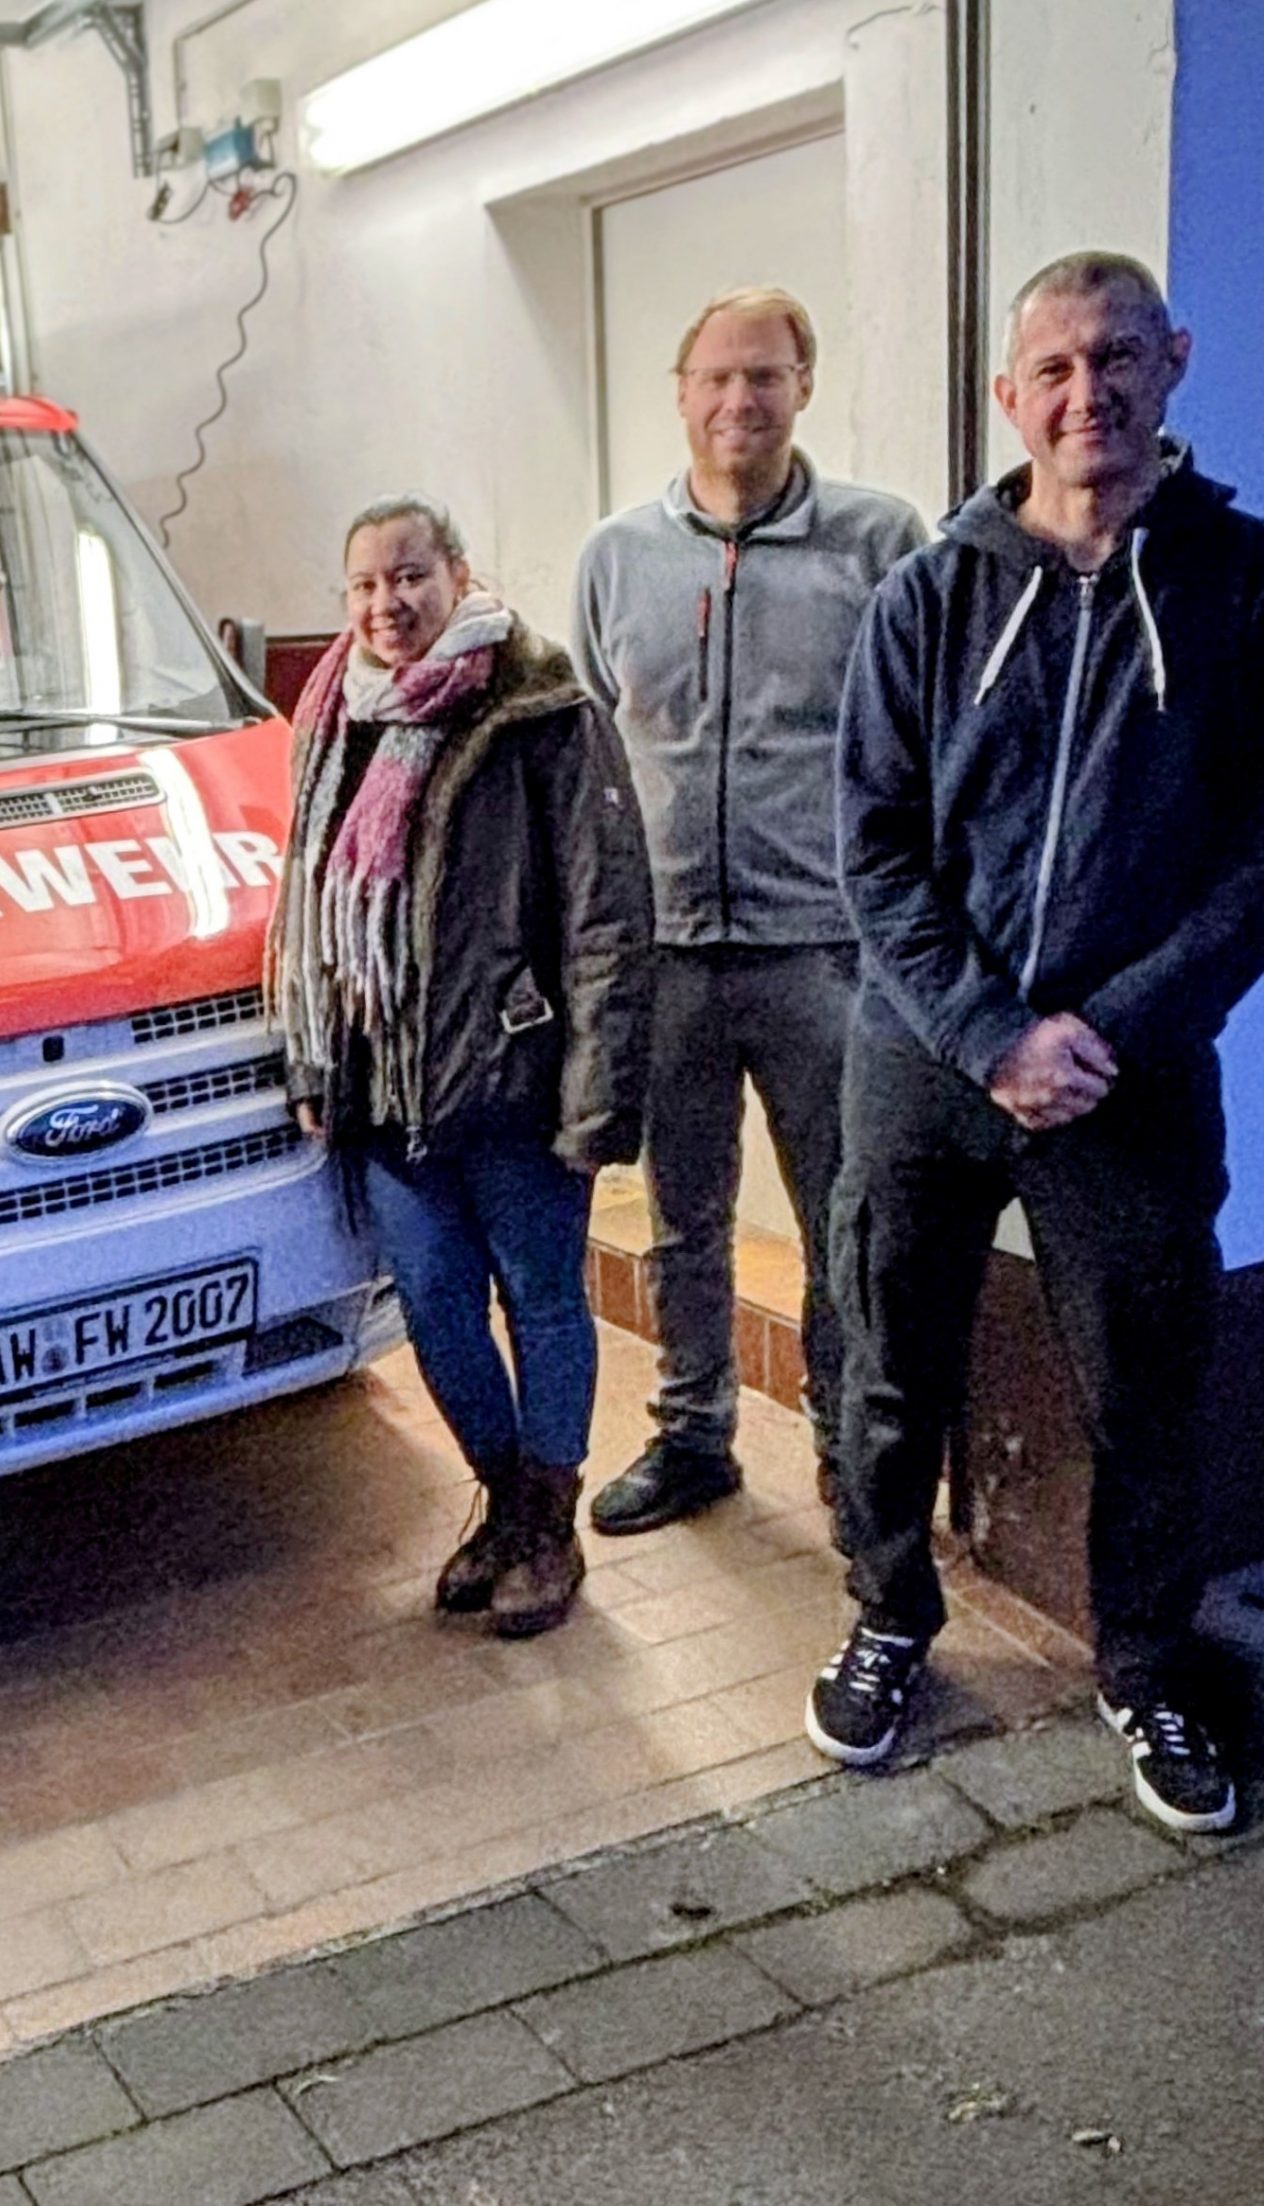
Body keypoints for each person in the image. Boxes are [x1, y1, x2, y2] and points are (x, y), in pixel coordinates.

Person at [811, 253, 1264, 1834]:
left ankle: (1146, 1664)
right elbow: (872, 852)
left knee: (1150, 1387)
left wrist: (1113, 1031)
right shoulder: (930, 595)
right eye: (1057, 368)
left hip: (1131, 1082)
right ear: (1011, 397)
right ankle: (889, 1613)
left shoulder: (1242, 585)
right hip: (928, 1063)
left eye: (1122, 357)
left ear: (1177, 360)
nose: (1093, 394)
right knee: (888, 1364)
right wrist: (994, 1030)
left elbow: (1259, 859)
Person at [573, 286, 929, 1539]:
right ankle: (692, 1435)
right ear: (679, 392)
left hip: (824, 953)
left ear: (804, 384)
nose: (740, 400)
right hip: (664, 952)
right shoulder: (616, 556)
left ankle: (847, 1450)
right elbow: (594, 760)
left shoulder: (880, 543)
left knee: (847, 1214)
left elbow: (922, 746)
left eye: (765, 376)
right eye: (717, 377)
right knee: (683, 1215)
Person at [273, 495, 653, 1638]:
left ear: (458, 575)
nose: (388, 604)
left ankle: (549, 1524)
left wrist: (596, 1094)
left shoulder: (538, 705)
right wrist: (310, 1052)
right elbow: (304, 902)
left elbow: (604, 912)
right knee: (436, 1307)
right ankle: (503, 1499)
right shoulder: (332, 715)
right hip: (386, 1084)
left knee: (540, 1300)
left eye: (410, 577)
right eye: (366, 585)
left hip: (514, 1079)